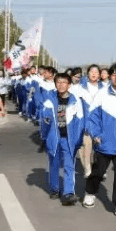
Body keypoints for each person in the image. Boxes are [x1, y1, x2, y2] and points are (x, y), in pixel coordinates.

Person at [83, 63, 116, 218]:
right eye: (114, 74)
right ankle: (90, 192)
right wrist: (96, 134)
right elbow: (92, 117)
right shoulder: (102, 94)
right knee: (98, 172)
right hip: (103, 143)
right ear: (110, 76)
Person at [40, 73, 85, 205]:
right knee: (54, 164)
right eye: (58, 82)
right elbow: (44, 121)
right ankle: (54, 189)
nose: (61, 85)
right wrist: (44, 138)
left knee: (69, 165)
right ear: (55, 84)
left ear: (69, 85)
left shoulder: (75, 100)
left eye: (64, 82)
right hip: (54, 138)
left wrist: (78, 140)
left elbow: (80, 122)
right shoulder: (50, 99)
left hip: (68, 139)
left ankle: (68, 193)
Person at [70, 64, 103, 177]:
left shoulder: (104, 88)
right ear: (88, 74)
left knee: (100, 148)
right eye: (91, 71)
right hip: (84, 122)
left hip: (99, 123)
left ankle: (99, 168)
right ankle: (87, 168)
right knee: (85, 146)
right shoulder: (81, 87)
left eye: (96, 72)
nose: (94, 73)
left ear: (99, 75)